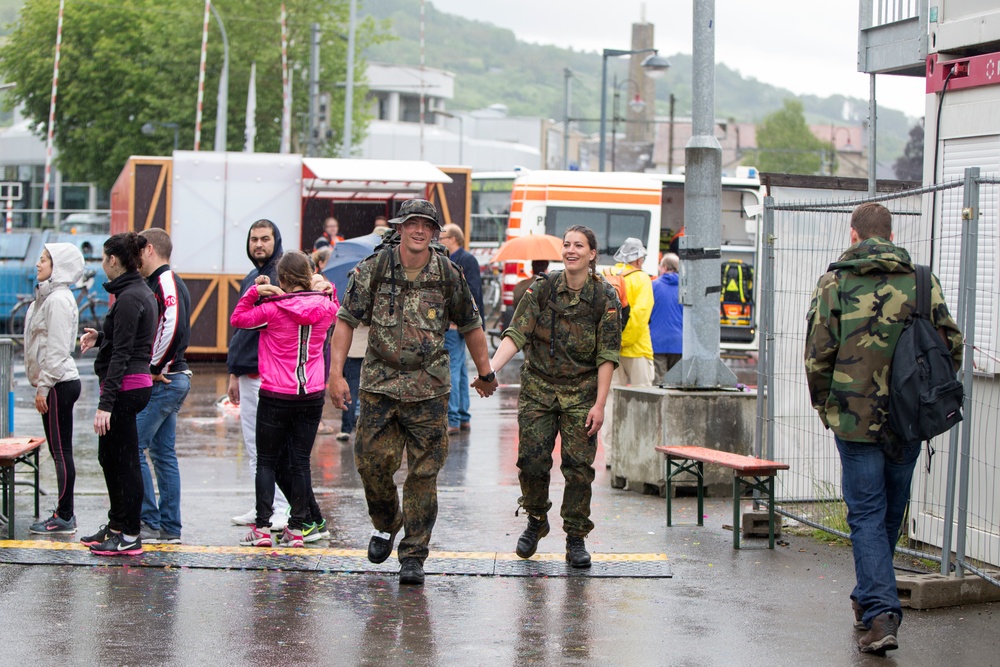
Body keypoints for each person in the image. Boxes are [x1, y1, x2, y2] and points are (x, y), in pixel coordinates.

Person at [804, 202, 962, 655]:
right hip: (909, 417)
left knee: (868, 514)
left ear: (853, 235)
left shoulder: (835, 282)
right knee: (891, 509)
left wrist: (827, 406)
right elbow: (950, 343)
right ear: (890, 235)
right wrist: (927, 398)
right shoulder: (920, 280)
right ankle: (870, 597)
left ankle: (879, 613)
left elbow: (818, 353)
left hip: (854, 419)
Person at [328, 198, 497, 586]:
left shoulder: (448, 274)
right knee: (371, 464)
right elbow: (345, 321)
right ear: (400, 228)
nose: (419, 230)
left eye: (427, 225)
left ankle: (414, 554)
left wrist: (485, 372)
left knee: (423, 473)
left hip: (428, 388)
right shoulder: (373, 269)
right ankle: (387, 522)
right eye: (412, 224)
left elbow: (472, 325)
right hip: (380, 385)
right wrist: (336, 375)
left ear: (435, 233)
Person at [488, 225, 620, 569]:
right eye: (567, 245)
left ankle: (575, 537)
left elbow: (608, 354)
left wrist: (600, 404)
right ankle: (536, 519)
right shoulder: (543, 288)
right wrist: (491, 369)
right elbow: (516, 333)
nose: (571, 250)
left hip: (582, 392)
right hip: (539, 389)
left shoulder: (605, 296)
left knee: (578, 469)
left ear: (593, 254)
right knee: (531, 461)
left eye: (579, 246)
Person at [231, 251, 338, 548]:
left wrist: (255, 291)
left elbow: (238, 319)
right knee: (300, 462)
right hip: (311, 393)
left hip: (276, 392)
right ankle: (297, 528)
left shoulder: (272, 309)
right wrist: (327, 286)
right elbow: (335, 302)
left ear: (283, 279)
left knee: (266, 461)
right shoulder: (326, 307)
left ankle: (263, 528)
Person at [79, 233, 158, 556]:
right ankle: (116, 525)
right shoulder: (135, 292)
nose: (102, 265)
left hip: (127, 387)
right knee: (109, 458)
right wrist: (100, 337)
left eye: (103, 259)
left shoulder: (130, 297)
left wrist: (105, 404)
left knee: (125, 461)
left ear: (113, 260)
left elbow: (124, 354)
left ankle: (130, 534)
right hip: (130, 385)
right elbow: (125, 340)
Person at [227, 219, 290, 531]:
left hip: (268, 374)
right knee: (253, 446)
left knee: (271, 446)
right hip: (247, 372)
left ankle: (281, 509)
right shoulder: (252, 277)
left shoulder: (281, 276)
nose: (259, 245)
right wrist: (233, 373)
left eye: (265, 239)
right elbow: (240, 328)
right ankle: (262, 505)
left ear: (275, 240)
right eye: (254, 239)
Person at [134, 228, 192, 546]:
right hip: (173, 375)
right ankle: (168, 526)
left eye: (138, 251)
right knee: (163, 453)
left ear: (150, 250)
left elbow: (172, 325)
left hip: (165, 378)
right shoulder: (166, 280)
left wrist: (154, 367)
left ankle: (151, 520)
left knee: (133, 446)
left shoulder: (165, 280)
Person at [25, 243, 85, 535]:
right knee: (59, 451)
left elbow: (58, 350)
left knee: (61, 452)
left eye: (45, 259)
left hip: (59, 384)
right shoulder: (48, 297)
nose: (38, 264)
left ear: (58, 266)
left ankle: (64, 515)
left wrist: (43, 387)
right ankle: (64, 512)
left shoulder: (58, 300)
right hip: (55, 383)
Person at [599, 237, 654, 467]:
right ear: (639, 258)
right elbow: (641, 314)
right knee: (646, 400)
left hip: (610, 351)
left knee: (610, 401)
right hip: (638, 349)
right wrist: (626, 340)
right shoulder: (642, 279)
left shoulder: (606, 275)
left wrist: (613, 342)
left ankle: (612, 456)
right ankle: (643, 452)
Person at [438, 223, 485, 435]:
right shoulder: (458, 259)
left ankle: (454, 418)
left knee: (453, 371)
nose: (439, 241)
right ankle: (463, 416)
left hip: (456, 324)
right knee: (461, 370)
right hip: (461, 324)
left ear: (454, 239)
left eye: (442, 237)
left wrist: (465, 321)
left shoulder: (464, 260)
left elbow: (472, 293)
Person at [650, 253, 682, 382]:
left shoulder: (653, 286)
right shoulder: (685, 288)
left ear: (664, 267)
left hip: (657, 341)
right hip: (679, 342)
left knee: (659, 383)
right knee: (675, 383)